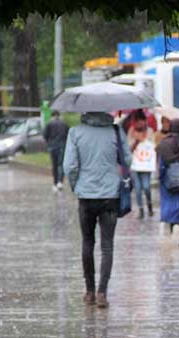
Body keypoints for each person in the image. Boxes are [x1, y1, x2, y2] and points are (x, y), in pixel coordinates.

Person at [63, 112, 131, 308]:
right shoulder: (116, 132)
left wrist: (77, 186)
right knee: (107, 245)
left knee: (87, 242)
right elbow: (127, 159)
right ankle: (102, 292)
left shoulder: (75, 133)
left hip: (86, 196)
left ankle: (89, 291)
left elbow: (69, 166)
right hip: (110, 196)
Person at [157, 119, 179, 245]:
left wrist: (160, 178)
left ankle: (172, 227)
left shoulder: (163, 143)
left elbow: (160, 164)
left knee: (170, 205)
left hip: (168, 180)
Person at [129, 119, 156, 219]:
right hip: (135, 168)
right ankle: (140, 209)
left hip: (146, 168)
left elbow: (153, 152)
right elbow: (128, 153)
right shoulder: (133, 142)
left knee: (146, 187)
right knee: (138, 189)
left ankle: (149, 205)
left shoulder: (149, 142)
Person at [44, 111, 69, 191]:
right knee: (60, 164)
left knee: (54, 165)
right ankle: (60, 182)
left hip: (52, 146)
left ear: (52, 116)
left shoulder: (49, 124)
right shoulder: (64, 124)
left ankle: (55, 183)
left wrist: (49, 143)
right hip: (62, 146)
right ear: (59, 115)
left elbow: (45, 135)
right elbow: (68, 135)